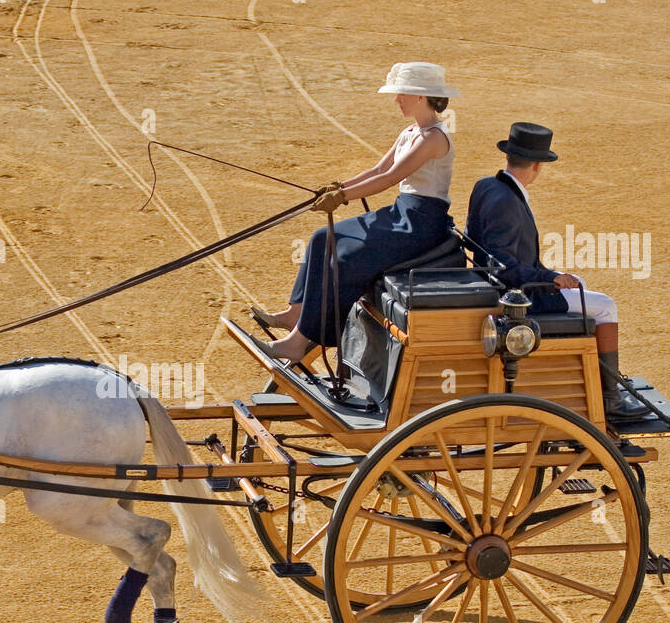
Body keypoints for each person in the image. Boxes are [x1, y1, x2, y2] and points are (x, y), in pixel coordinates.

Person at [258, 62, 458, 361]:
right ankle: (294, 313)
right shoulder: (412, 131)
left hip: (420, 224)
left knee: (346, 258)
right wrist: (338, 187)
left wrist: (343, 197)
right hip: (402, 212)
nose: (396, 99)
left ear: (419, 96)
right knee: (322, 237)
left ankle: (298, 342)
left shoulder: (433, 138)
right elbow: (379, 168)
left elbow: (390, 178)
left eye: (401, 93)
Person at [466, 122, 647, 423]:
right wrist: (549, 278)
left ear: (508, 156)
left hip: (500, 285)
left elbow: (483, 244)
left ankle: (596, 374)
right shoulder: (507, 201)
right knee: (606, 307)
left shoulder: (488, 186)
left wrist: (552, 274)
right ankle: (611, 398)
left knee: (580, 286)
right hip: (517, 299)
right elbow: (504, 266)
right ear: (537, 165)